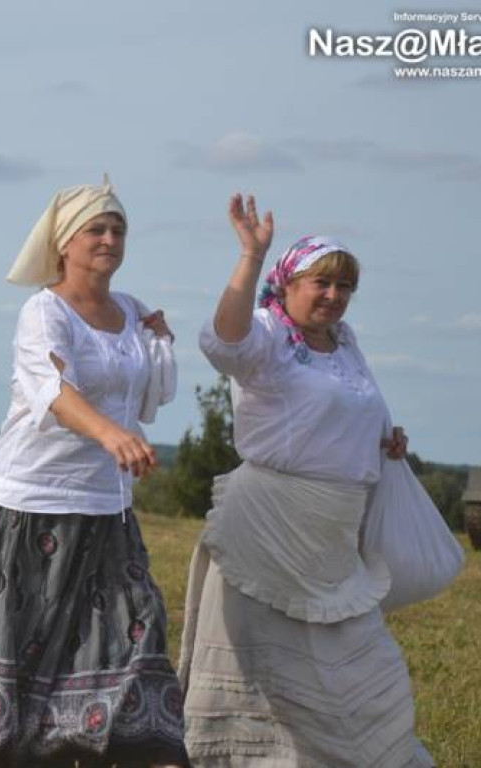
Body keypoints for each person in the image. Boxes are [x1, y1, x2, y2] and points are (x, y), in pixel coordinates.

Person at [177, 194, 432, 767]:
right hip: (268, 530)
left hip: (331, 541)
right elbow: (223, 342)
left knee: (363, 668)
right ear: (287, 284)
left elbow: (353, 411)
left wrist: (386, 440)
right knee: (271, 676)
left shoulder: (344, 345)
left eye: (344, 288)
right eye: (322, 283)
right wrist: (249, 255)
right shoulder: (268, 335)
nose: (334, 296)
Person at [0, 179, 190, 768]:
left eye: (118, 229)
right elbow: (52, 389)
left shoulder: (131, 310)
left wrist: (159, 341)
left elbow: (154, 397)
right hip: (31, 507)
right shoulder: (43, 311)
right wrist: (110, 433)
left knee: (141, 632)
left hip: (106, 511)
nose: (109, 239)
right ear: (65, 242)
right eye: (96, 230)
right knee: (13, 667)